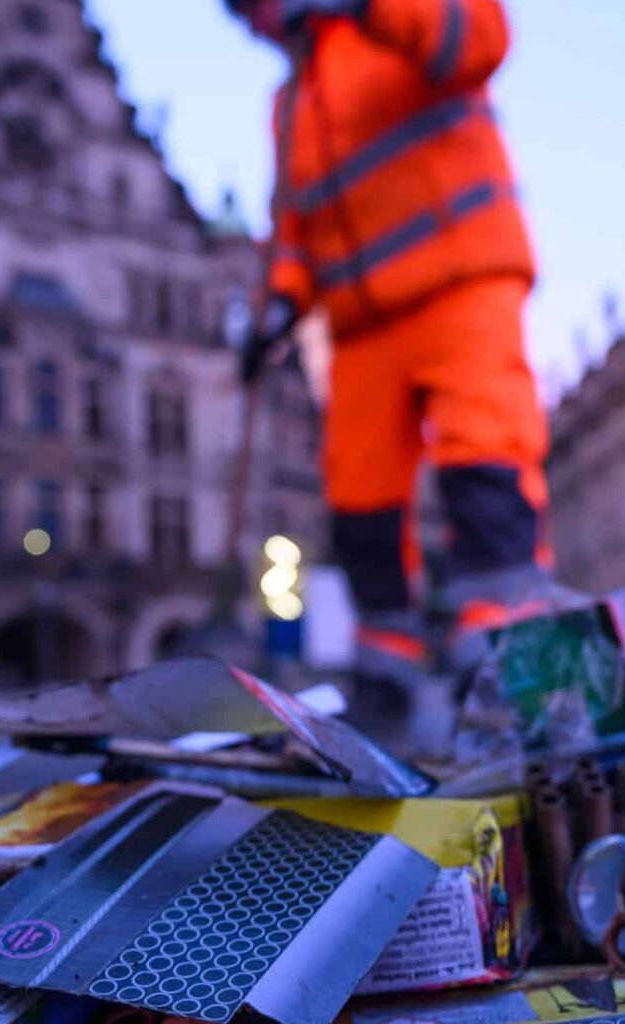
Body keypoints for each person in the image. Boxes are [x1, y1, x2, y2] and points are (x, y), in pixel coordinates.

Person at [227, 0, 564, 731]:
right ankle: (386, 677)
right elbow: (295, 228)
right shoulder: (289, 107)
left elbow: (478, 39)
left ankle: (505, 658)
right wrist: (282, 303)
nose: (255, 23)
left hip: (462, 276)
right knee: (360, 504)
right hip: (358, 325)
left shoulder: (386, 20)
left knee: (485, 461)